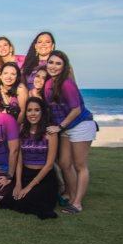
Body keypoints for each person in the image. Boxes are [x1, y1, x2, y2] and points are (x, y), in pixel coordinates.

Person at [44, 50, 96, 214]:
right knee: (65, 163)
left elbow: (76, 109)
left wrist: (59, 127)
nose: (53, 66)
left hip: (81, 124)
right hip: (66, 127)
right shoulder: (48, 84)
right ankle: (72, 196)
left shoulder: (66, 83)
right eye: (51, 62)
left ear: (64, 66)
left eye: (58, 63)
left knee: (80, 165)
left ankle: (77, 203)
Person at [0, 97, 59, 219]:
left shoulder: (50, 134)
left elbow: (49, 165)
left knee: (32, 203)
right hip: (25, 174)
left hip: (43, 177)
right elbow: (20, 161)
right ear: (25, 113)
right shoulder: (23, 131)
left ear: (42, 112)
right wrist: (19, 184)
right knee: (8, 201)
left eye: (37, 110)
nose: (33, 114)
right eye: (29, 110)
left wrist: (28, 188)